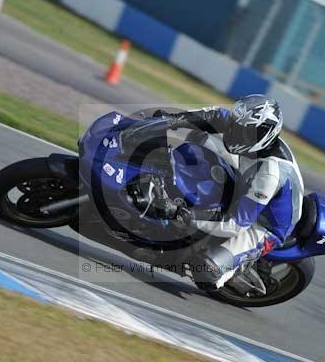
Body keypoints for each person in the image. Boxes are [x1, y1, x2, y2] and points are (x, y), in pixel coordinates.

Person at [128, 95, 305, 289]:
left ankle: (237, 267)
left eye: (243, 132)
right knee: (198, 140)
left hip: (263, 224)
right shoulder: (250, 136)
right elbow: (215, 116)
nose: (235, 134)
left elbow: (235, 223)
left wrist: (180, 213)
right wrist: (174, 119)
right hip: (246, 179)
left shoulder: (270, 175)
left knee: (205, 272)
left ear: (263, 134)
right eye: (236, 126)